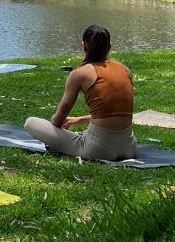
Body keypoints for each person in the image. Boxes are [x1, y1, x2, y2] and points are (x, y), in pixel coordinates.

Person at [24, 25, 137, 161]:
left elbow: (61, 115)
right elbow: (114, 111)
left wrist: (56, 135)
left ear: (84, 46)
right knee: (85, 134)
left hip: (98, 151)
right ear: (110, 46)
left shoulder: (80, 74)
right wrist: (80, 119)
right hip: (130, 148)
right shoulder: (124, 70)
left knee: (30, 123)